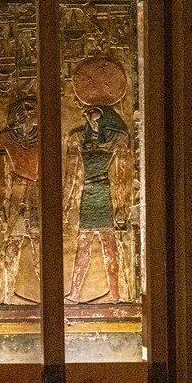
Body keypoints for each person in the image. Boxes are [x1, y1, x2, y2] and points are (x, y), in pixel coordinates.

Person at [65, 105, 130, 303]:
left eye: (94, 116)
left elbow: (121, 176)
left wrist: (121, 207)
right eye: (87, 116)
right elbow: (71, 176)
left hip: (104, 194)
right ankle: (75, 293)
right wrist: (65, 203)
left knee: (109, 244)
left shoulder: (115, 140)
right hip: (88, 195)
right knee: (83, 244)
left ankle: (115, 293)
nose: (89, 119)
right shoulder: (78, 139)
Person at [0, 95, 40, 303]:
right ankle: (7, 292)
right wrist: (0, 204)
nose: (37, 115)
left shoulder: (43, 137)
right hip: (17, 194)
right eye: (33, 111)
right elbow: (0, 175)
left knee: (40, 246)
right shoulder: (4, 139)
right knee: (12, 244)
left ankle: (45, 294)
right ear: (23, 115)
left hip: (37, 194)